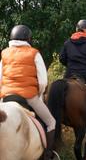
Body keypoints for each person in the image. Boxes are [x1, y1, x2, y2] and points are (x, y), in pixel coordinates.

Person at [0, 25, 56, 159]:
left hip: (6, 97)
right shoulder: (34, 53)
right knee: (51, 122)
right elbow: (43, 81)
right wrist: (39, 94)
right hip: (29, 97)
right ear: (28, 39)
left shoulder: (4, 53)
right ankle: (49, 154)